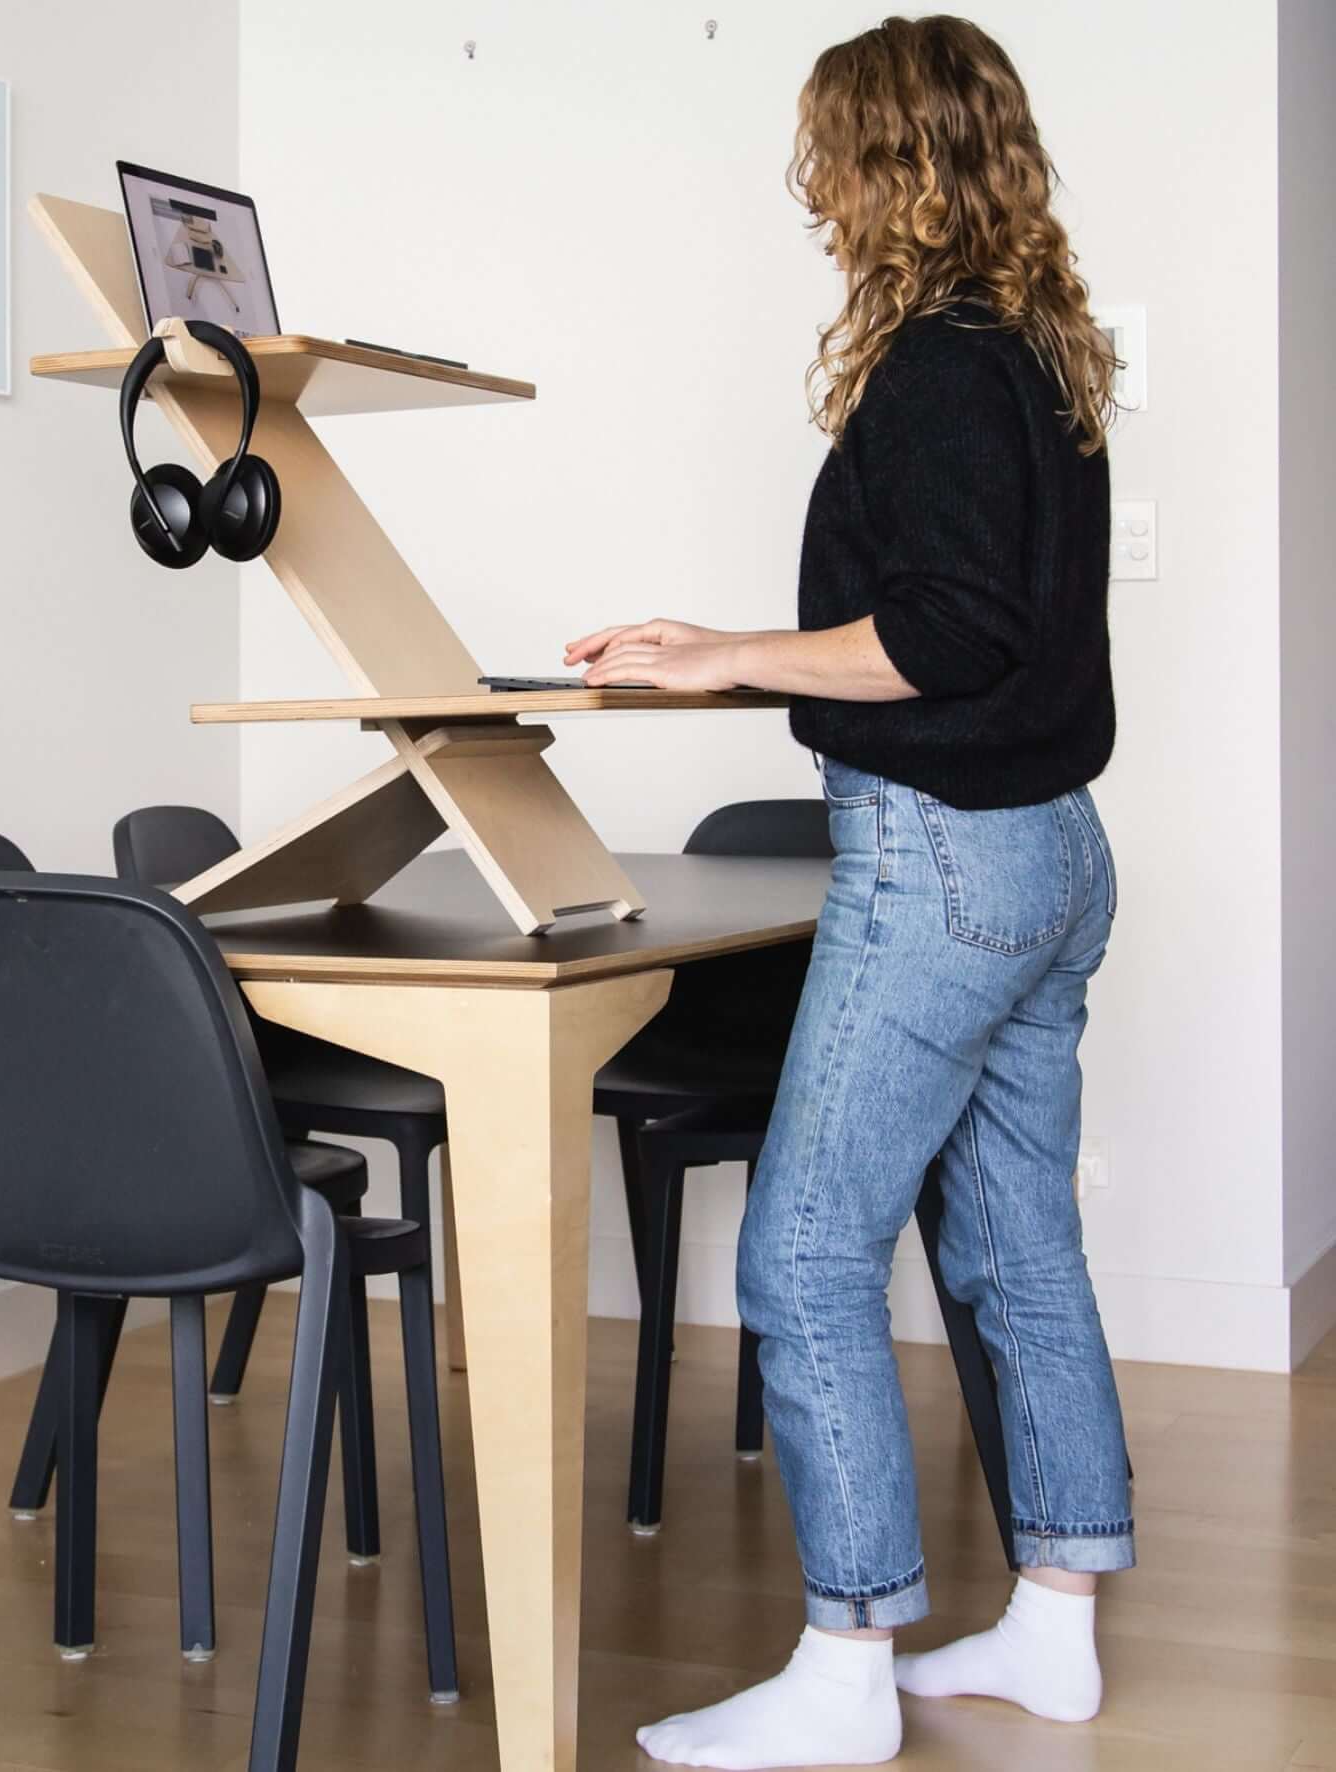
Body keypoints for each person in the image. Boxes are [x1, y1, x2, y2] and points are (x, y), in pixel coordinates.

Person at [566, 16, 1132, 1770]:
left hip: (948, 856)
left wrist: (725, 650)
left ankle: (844, 1664)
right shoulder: (1040, 351)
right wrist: (711, 656)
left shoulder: (948, 363)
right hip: (1051, 850)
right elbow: (981, 626)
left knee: (807, 1248)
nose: (812, 192)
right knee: (1018, 1244)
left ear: (888, 160)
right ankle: (1053, 1629)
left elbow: (949, 631)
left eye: (831, 155)